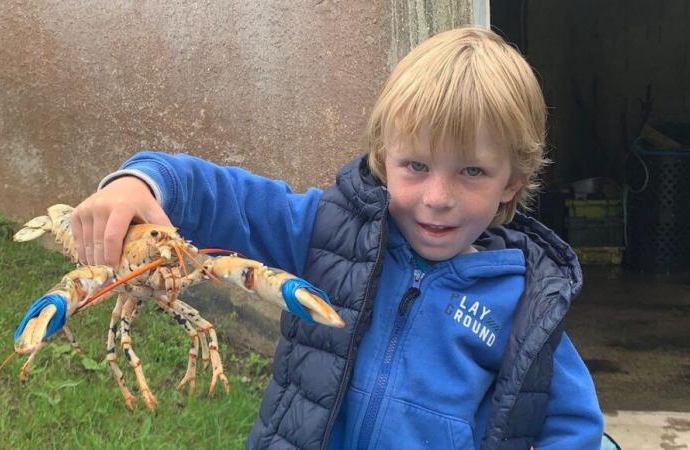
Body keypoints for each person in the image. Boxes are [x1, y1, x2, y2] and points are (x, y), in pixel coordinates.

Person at [70, 27, 604, 449]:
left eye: (472, 172)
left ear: (512, 179)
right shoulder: (325, 232)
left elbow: (574, 428)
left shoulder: (525, 308)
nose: (437, 196)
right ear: (384, 157)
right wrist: (140, 181)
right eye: (415, 165)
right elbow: (225, 195)